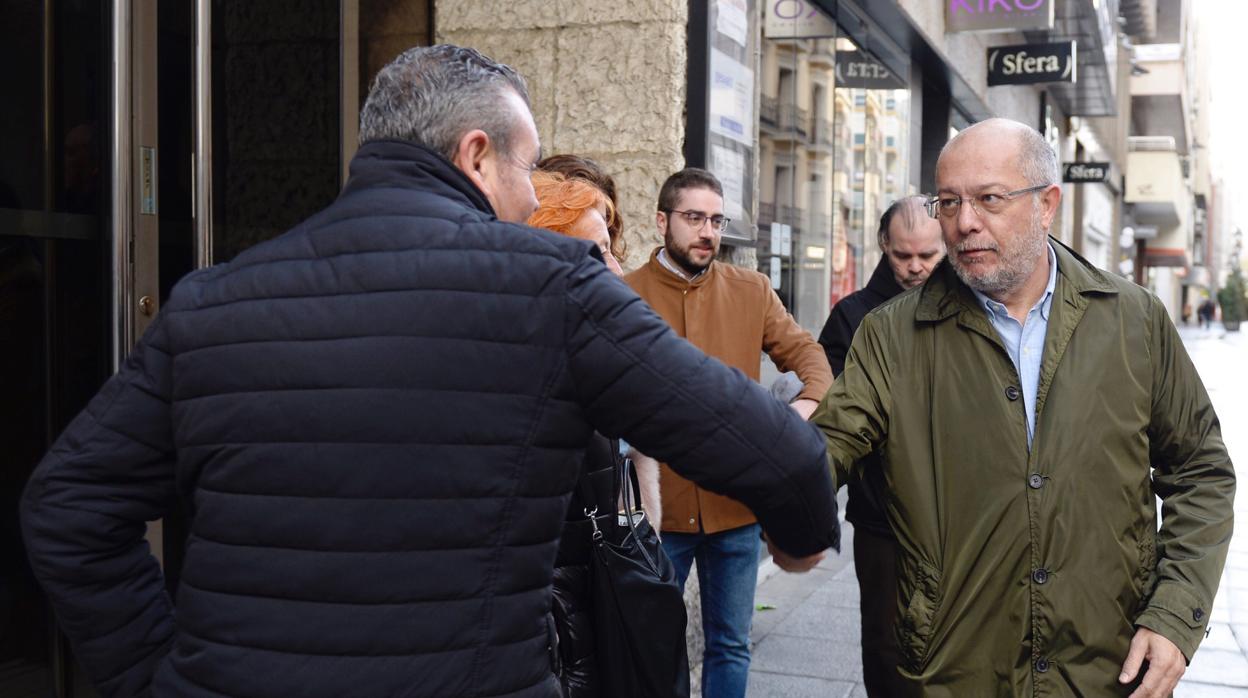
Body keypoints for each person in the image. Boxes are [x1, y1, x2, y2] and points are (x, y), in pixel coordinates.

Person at [19, 45, 840, 698]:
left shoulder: (211, 300)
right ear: (476, 155)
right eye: (529, 171)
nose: (531, 201)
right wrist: (801, 542)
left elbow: (67, 508)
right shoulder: (556, 288)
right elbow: (785, 456)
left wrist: (160, 678)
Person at [804, 117, 1235, 696]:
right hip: (954, 673)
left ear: (1047, 203)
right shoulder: (890, 335)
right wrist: (771, 467)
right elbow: (827, 447)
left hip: (1108, 669)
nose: (964, 222)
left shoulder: (1134, 320)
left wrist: (1175, 615)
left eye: (989, 199)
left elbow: (1200, 472)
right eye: (949, 202)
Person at [625, 167, 834, 698]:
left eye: (716, 220)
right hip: (659, 512)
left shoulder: (751, 290)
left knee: (730, 644)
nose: (708, 232)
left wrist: (801, 410)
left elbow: (812, 358)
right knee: (653, 643)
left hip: (736, 506)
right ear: (661, 221)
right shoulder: (624, 294)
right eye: (694, 218)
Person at [815, 194, 943, 697]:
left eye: (927, 257)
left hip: (962, 515)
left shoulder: (974, 306)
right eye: (903, 256)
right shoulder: (852, 316)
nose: (914, 268)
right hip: (882, 518)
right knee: (887, 647)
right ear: (883, 245)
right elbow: (840, 417)